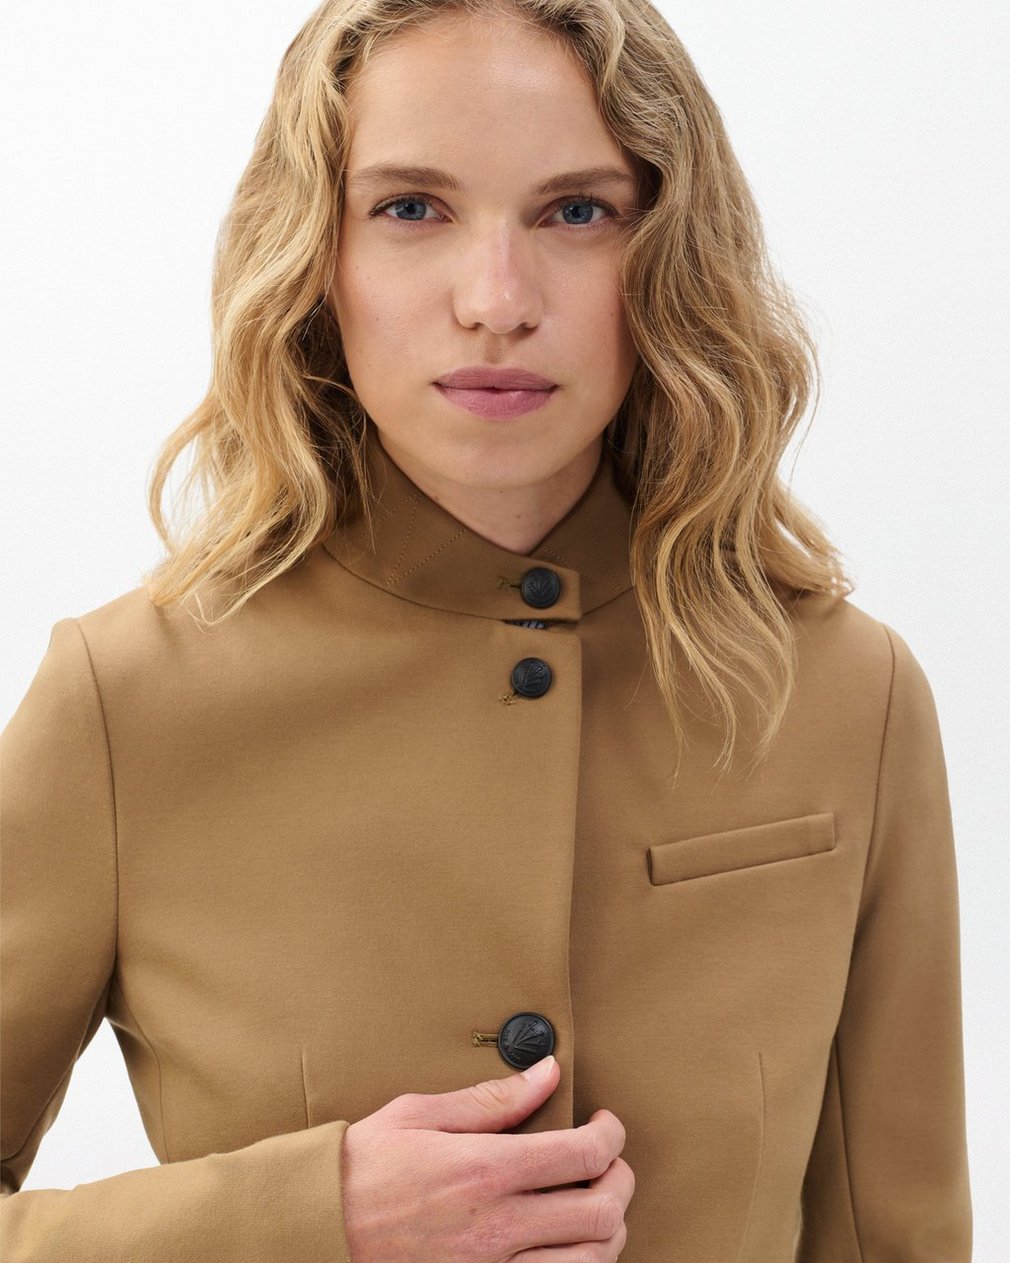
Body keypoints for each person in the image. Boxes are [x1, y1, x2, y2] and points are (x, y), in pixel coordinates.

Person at [0, 0, 972, 1259]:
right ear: (315, 256)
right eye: (411, 208)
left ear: (668, 253)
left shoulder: (843, 691)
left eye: (578, 212)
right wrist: (302, 1219)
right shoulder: (128, 698)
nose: (496, 301)